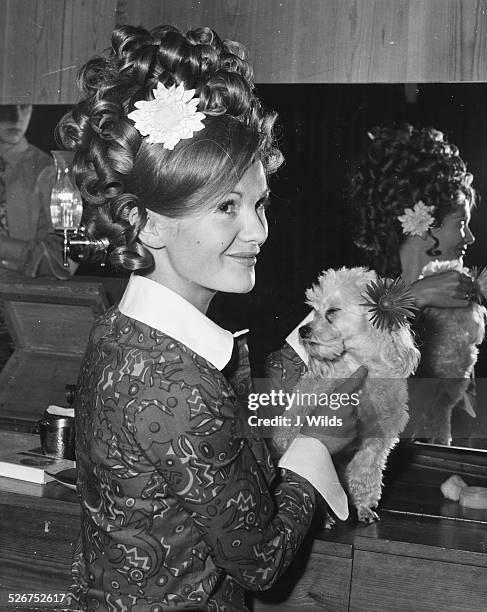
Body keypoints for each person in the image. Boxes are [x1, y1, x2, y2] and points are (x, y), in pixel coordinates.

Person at [59, 24, 365, 611]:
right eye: (228, 207)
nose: (258, 231)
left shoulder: (124, 334)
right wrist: (314, 450)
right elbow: (260, 559)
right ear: (148, 224)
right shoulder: (176, 383)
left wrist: (300, 353)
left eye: (259, 203)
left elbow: (214, 439)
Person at [350, 124, 480, 443]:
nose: (470, 238)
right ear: (424, 226)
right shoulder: (358, 292)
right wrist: (413, 297)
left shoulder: (459, 311)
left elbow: (468, 418)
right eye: (461, 224)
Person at [0, 104, 77, 368]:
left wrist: (6, 248)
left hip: (13, 327)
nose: (17, 116)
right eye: (6, 105)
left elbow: (64, 261)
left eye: (24, 106)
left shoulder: (47, 170)